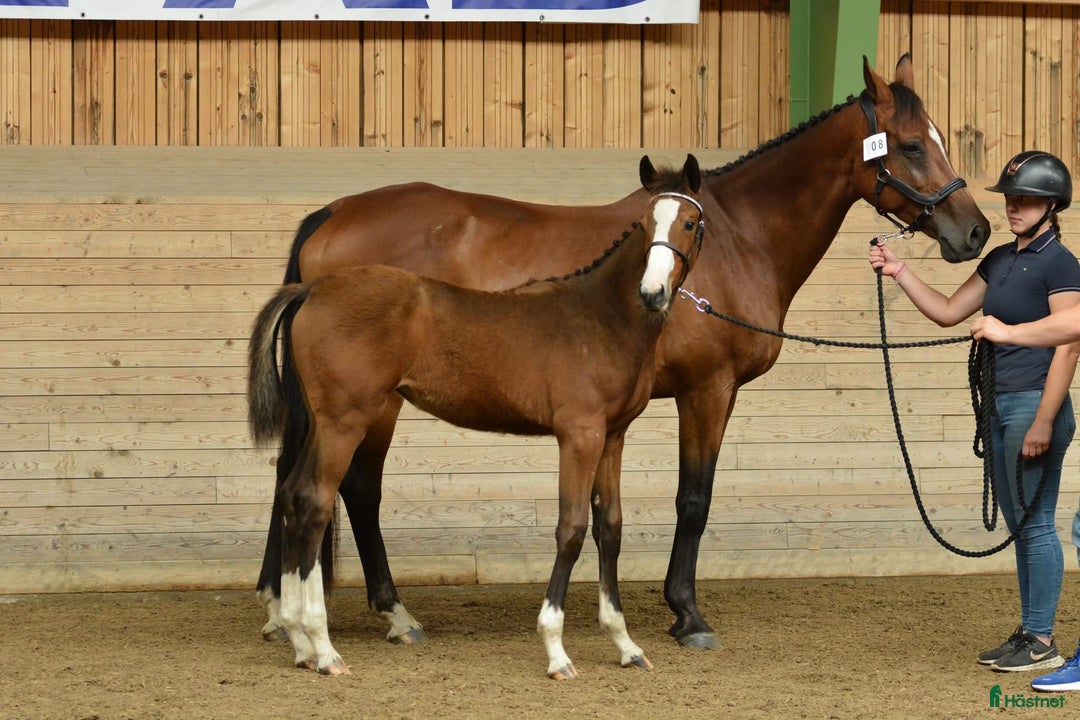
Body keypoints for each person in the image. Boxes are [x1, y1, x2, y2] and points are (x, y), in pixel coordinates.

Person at [870, 150, 1080, 675]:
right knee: (1018, 523)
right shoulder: (1001, 260)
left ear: (1052, 205)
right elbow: (946, 312)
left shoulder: (1061, 263)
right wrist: (900, 272)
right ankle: (1031, 632)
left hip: (1035, 402)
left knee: (1034, 525)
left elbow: (1070, 344)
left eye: (1026, 199)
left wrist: (1043, 420)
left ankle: (1042, 638)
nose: (1014, 206)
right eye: (1010, 198)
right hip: (1000, 404)